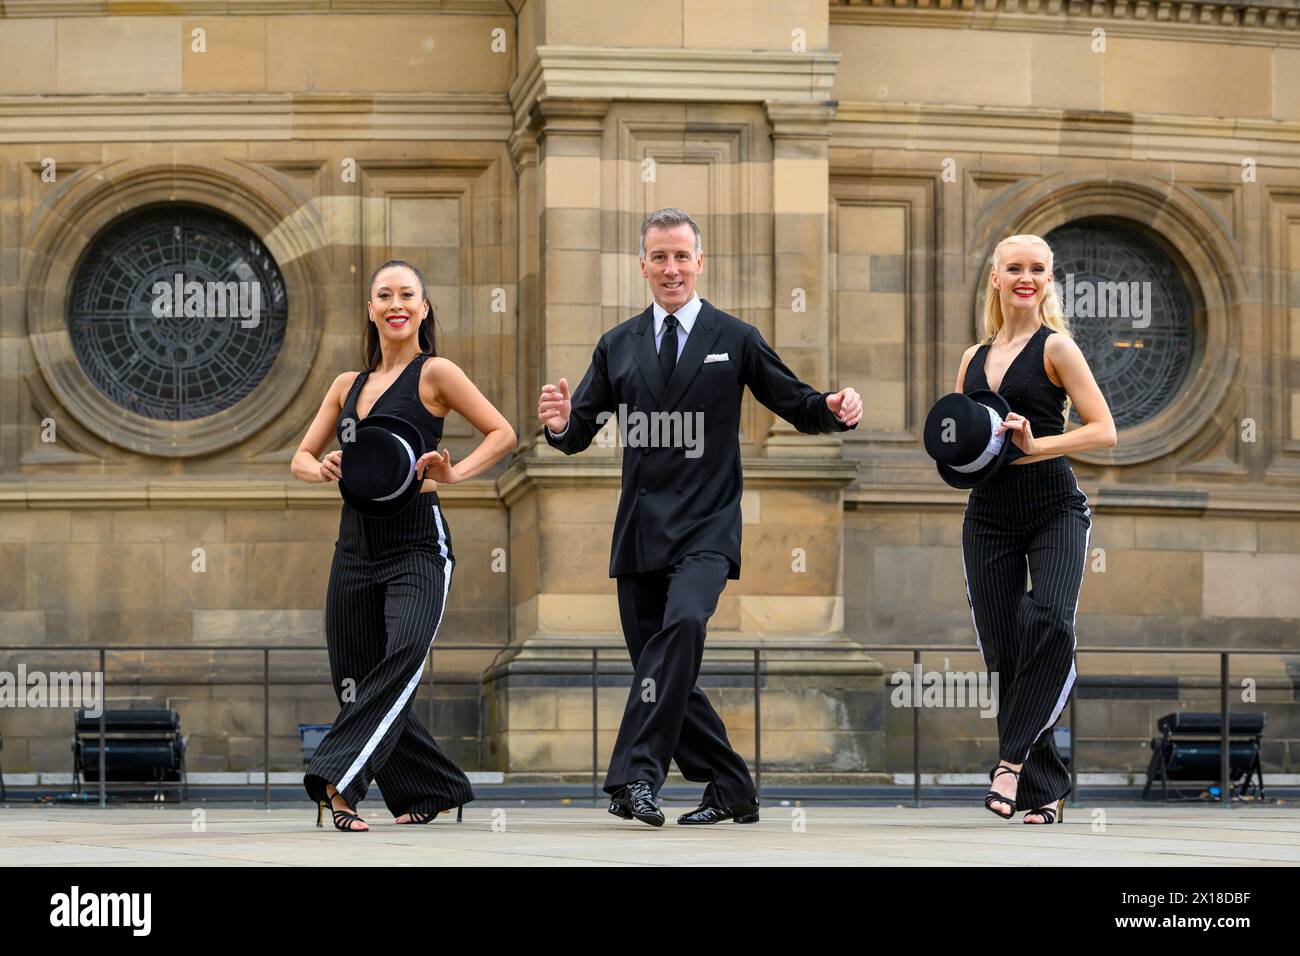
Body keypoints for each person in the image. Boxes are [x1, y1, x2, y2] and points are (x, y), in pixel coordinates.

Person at [537, 208, 862, 826]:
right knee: (666, 672)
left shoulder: (734, 337)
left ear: (700, 262)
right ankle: (732, 786)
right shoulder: (617, 345)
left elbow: (793, 400)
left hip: (707, 528)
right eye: (659, 257)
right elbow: (579, 429)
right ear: (643, 266)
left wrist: (835, 408)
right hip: (639, 533)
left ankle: (636, 779)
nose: (671, 268)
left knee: (682, 628)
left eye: (681, 256)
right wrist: (558, 425)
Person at [291, 259, 516, 831]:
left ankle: (338, 783)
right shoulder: (347, 385)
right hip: (354, 548)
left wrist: (456, 471)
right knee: (354, 677)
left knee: (402, 656)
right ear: (370, 309)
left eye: (407, 295)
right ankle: (433, 786)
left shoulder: (435, 373)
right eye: (384, 296)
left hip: (418, 543)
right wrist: (321, 468)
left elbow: (503, 432)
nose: (396, 304)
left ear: (424, 307)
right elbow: (299, 457)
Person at [953, 234, 1117, 824]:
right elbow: (960, 440)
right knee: (1003, 650)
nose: (1027, 277)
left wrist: (1037, 444)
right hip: (988, 515)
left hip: (1054, 507)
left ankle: (1011, 763)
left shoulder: (1059, 348)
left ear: (1049, 281)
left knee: (1047, 620)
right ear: (995, 277)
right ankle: (1045, 788)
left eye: (1038, 269)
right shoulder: (972, 359)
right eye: (1015, 268)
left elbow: (1104, 430)